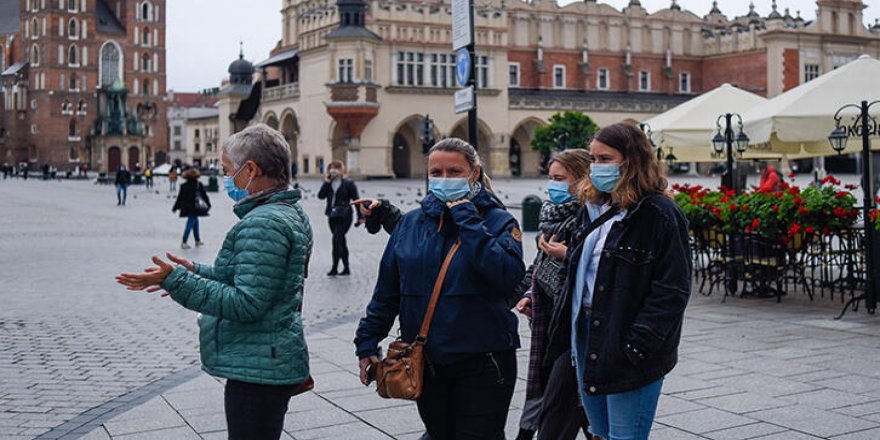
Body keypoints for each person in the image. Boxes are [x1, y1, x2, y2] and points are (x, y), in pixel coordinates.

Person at [115, 123, 313, 440]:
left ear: (250, 170)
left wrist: (178, 282)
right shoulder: (288, 211)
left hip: (258, 367)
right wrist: (193, 271)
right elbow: (254, 277)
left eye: (226, 170)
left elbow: (247, 302)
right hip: (268, 358)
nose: (225, 179)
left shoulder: (264, 222)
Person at [355, 138, 526, 440]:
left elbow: (507, 277)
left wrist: (468, 220)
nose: (444, 179)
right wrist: (367, 342)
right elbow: (387, 291)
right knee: (438, 434)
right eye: (436, 172)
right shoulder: (410, 225)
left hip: (484, 360)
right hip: (428, 361)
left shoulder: (498, 221)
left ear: (474, 174)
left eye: (454, 171)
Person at [544, 123, 691, 440]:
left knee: (625, 437)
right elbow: (579, 270)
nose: (596, 166)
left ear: (632, 161)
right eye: (593, 159)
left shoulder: (659, 213)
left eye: (605, 159)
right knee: (598, 433)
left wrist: (638, 345)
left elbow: (672, 289)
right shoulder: (594, 208)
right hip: (585, 335)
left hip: (626, 340)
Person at [513, 149, 593, 440]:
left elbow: (596, 273)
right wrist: (530, 294)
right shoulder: (550, 216)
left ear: (582, 180)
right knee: (575, 404)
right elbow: (539, 266)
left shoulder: (589, 218)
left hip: (574, 329)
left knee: (564, 401)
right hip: (549, 325)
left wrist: (567, 255)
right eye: (551, 178)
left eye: (560, 178)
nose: (553, 185)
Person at [317, 160, 364, 276]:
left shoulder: (348, 183)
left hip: (345, 215)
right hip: (332, 216)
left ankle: (334, 267)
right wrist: (326, 182)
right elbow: (320, 196)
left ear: (342, 170)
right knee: (341, 241)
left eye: (336, 168)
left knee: (336, 239)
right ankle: (346, 267)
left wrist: (360, 216)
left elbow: (356, 200)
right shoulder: (329, 183)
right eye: (331, 168)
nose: (334, 171)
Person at [173, 168, 210, 249]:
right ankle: (184, 242)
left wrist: (175, 207)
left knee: (195, 222)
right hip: (196, 207)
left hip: (187, 207)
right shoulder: (198, 184)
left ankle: (197, 241)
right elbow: (204, 195)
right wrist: (208, 204)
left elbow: (180, 198)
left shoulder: (184, 186)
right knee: (190, 224)